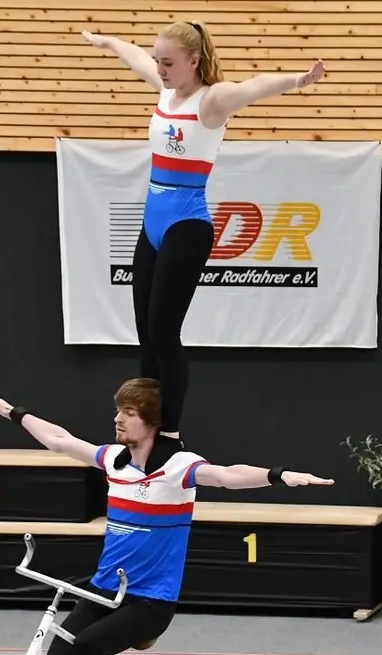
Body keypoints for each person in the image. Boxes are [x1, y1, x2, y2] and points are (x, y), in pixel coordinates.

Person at [0, 379, 331, 655]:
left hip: (150, 602)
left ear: (150, 421)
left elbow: (229, 476)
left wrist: (280, 475)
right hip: (103, 590)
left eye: (127, 413)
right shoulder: (113, 460)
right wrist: (15, 413)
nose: (117, 419)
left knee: (88, 647)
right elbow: (60, 440)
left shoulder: (179, 468)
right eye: (118, 411)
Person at [80, 24, 325, 456]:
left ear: (194, 61)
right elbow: (133, 55)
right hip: (151, 220)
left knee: (163, 329)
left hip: (186, 224)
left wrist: (298, 80)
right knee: (144, 332)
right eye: (159, 60)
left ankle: (170, 432)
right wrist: (106, 42)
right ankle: (142, 428)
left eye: (169, 62)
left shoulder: (211, 100)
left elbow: (255, 86)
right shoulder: (164, 87)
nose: (160, 68)